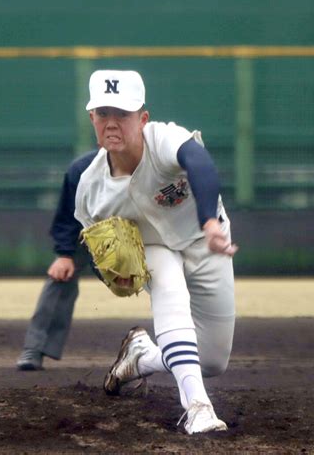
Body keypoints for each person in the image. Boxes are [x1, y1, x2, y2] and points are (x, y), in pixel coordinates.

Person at [74, 70, 237, 434]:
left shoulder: (164, 140)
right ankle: (198, 407)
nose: (111, 123)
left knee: (211, 359)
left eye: (123, 114)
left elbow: (200, 163)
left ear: (142, 119)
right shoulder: (90, 189)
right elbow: (92, 250)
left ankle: (142, 355)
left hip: (205, 239)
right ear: (91, 118)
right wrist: (111, 273)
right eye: (103, 113)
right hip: (154, 249)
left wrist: (210, 222)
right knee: (169, 288)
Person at [16, 149, 98, 371]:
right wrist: (65, 254)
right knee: (60, 276)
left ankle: (187, 346)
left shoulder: (150, 162)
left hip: (142, 235)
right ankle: (34, 348)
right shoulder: (83, 168)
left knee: (174, 277)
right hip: (95, 232)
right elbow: (68, 216)